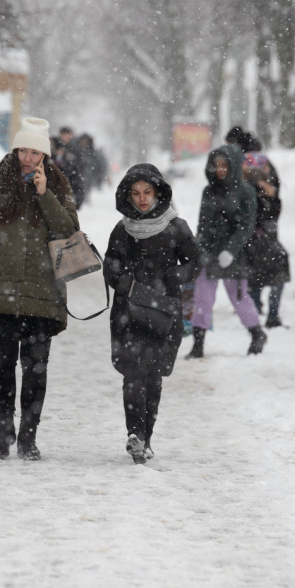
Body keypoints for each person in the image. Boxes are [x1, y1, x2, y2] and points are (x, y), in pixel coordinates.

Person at [0, 117, 79, 461]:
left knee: (35, 369)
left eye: (35, 151)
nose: (27, 157)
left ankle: (28, 435)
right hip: (0, 292)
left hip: (43, 295)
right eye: (23, 150)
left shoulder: (58, 184)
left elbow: (69, 230)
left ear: (45, 154)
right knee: (1, 366)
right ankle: (2, 430)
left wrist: (45, 195)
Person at [104, 164, 200, 464]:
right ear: (127, 196)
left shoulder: (176, 226)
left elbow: (195, 262)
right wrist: (123, 281)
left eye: (147, 192)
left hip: (162, 311)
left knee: (153, 377)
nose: (142, 199)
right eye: (136, 193)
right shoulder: (122, 230)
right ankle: (135, 435)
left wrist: (174, 276)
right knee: (133, 375)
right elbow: (111, 264)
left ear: (158, 193)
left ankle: (147, 437)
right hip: (128, 312)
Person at [187, 144, 267, 358]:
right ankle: (198, 345)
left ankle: (257, 333)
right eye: (217, 165)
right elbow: (202, 224)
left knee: (239, 298)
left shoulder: (246, 191)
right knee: (203, 298)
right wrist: (200, 250)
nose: (220, 169)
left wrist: (231, 250)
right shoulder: (209, 191)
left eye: (224, 165)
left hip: (235, 254)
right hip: (209, 253)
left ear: (233, 166)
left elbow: (247, 225)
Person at [241, 151, 290, 328]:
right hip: (251, 244)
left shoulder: (269, 189)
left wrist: (270, 194)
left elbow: (273, 215)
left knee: (276, 277)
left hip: (269, 242)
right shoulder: (243, 191)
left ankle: (271, 316)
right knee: (256, 280)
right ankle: (255, 318)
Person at [51, 126, 86, 209]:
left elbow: (79, 171)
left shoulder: (75, 149)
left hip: (70, 183)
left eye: (68, 134)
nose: (66, 137)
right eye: (63, 134)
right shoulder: (54, 147)